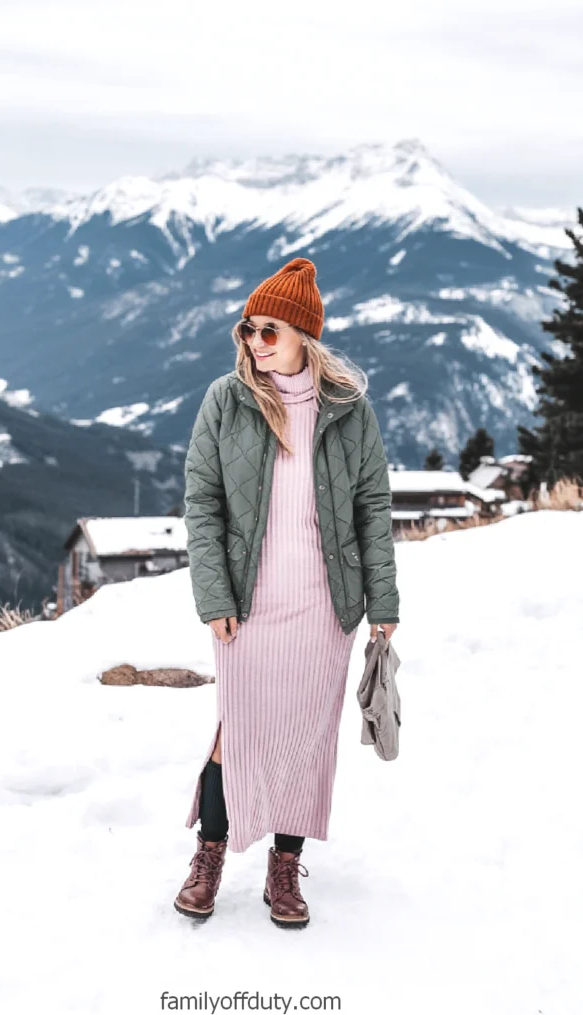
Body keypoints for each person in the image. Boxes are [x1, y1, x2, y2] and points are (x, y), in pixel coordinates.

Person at [174, 256, 400, 928]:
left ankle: (284, 866)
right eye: (248, 330)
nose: (255, 343)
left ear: (305, 334)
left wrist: (382, 605)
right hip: (247, 605)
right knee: (237, 733)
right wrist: (213, 596)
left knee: (305, 736)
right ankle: (208, 853)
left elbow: (372, 509)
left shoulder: (348, 410)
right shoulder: (226, 399)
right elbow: (202, 501)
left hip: (325, 606)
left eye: (269, 331)